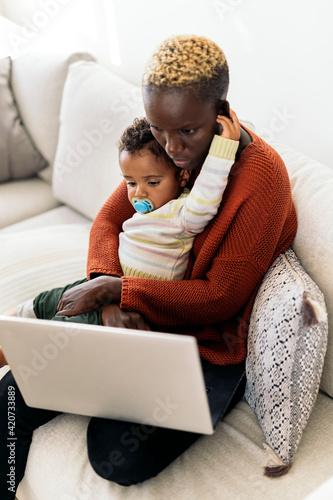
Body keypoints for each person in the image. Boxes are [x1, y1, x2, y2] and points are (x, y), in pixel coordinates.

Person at [0, 34, 297, 497]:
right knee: (13, 395)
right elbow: (107, 221)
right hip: (132, 302)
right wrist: (105, 285)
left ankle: (109, 380)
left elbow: (220, 297)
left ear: (221, 109)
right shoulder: (161, 150)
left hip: (207, 342)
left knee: (117, 455)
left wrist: (119, 294)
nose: (173, 147)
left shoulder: (262, 177)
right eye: (160, 129)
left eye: (188, 132)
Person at [9, 112, 239, 327]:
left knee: (67, 326)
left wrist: (224, 146)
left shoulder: (182, 212)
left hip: (134, 303)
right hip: (107, 285)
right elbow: (106, 222)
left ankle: (12, 349)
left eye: (152, 183)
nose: (139, 193)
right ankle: (14, 321)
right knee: (48, 301)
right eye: (131, 183)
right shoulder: (149, 207)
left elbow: (208, 193)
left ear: (183, 176)